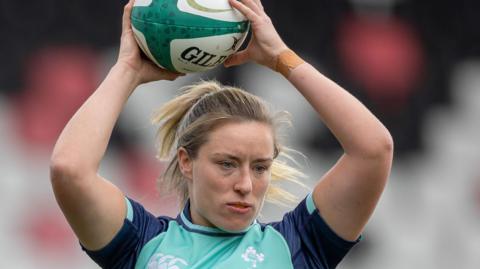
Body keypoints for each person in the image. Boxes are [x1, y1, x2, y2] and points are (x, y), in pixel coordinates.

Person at [50, 0, 394, 268]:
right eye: (227, 164)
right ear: (186, 161)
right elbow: (70, 170)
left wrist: (281, 59)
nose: (245, 183)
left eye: (259, 167)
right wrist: (126, 72)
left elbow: (373, 150)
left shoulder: (299, 246)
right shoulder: (139, 243)